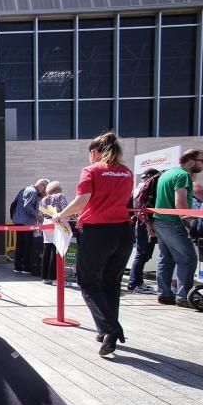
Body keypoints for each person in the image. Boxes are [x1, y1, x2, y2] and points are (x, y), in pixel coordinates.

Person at [52, 132, 134, 356]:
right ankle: (106, 330)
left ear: (94, 152)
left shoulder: (92, 170)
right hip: (124, 232)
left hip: (98, 232)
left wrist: (59, 215)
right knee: (112, 283)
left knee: (88, 282)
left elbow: (81, 202)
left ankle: (109, 328)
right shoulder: (126, 172)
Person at [152, 149, 203, 308]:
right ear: (191, 161)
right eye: (202, 161)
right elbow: (180, 203)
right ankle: (183, 296)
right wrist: (191, 224)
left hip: (160, 220)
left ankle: (164, 294)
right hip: (173, 222)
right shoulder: (183, 175)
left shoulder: (167, 174)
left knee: (166, 259)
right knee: (188, 259)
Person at [127, 168, 160, 294]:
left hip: (143, 224)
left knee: (143, 254)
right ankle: (135, 283)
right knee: (142, 253)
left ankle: (137, 282)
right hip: (143, 224)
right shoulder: (144, 188)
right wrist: (148, 225)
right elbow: (139, 208)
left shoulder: (141, 188)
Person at [12, 178, 49, 273]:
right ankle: (26, 267)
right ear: (41, 185)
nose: (43, 192)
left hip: (18, 220)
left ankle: (18, 267)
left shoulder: (25, 189)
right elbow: (27, 206)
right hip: (27, 222)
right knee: (27, 245)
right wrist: (37, 216)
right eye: (44, 189)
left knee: (20, 244)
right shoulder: (33, 191)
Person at [39, 181, 69, 285]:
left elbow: (41, 213)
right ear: (57, 189)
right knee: (57, 250)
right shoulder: (60, 196)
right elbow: (66, 209)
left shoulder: (43, 199)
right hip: (57, 224)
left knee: (47, 249)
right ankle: (55, 278)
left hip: (46, 225)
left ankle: (45, 277)